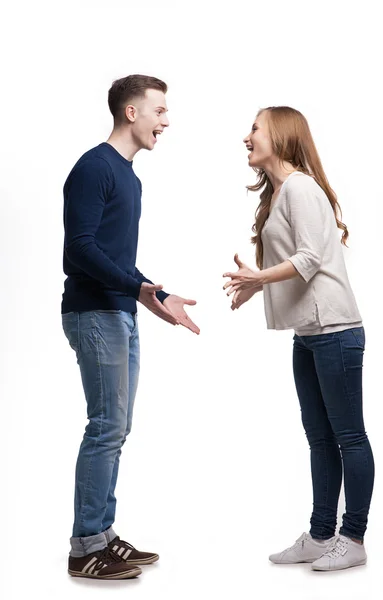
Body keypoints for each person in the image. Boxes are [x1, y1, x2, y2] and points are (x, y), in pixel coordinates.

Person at [222, 106, 374, 572]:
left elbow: (309, 258)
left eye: (254, 128)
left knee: (349, 436)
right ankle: (321, 532)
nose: (246, 136)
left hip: (336, 331)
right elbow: (297, 261)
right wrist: (256, 285)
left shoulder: (302, 188)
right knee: (319, 438)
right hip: (309, 334)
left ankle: (353, 537)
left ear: (281, 135)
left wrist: (260, 278)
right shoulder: (282, 192)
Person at [62, 74, 200, 580]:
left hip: (119, 310)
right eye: (159, 110)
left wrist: (154, 294)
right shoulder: (94, 167)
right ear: (131, 112)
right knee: (105, 428)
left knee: (116, 429)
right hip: (94, 311)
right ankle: (84, 548)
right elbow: (80, 248)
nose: (166, 120)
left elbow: (115, 257)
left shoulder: (130, 177)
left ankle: (103, 536)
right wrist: (135, 288)